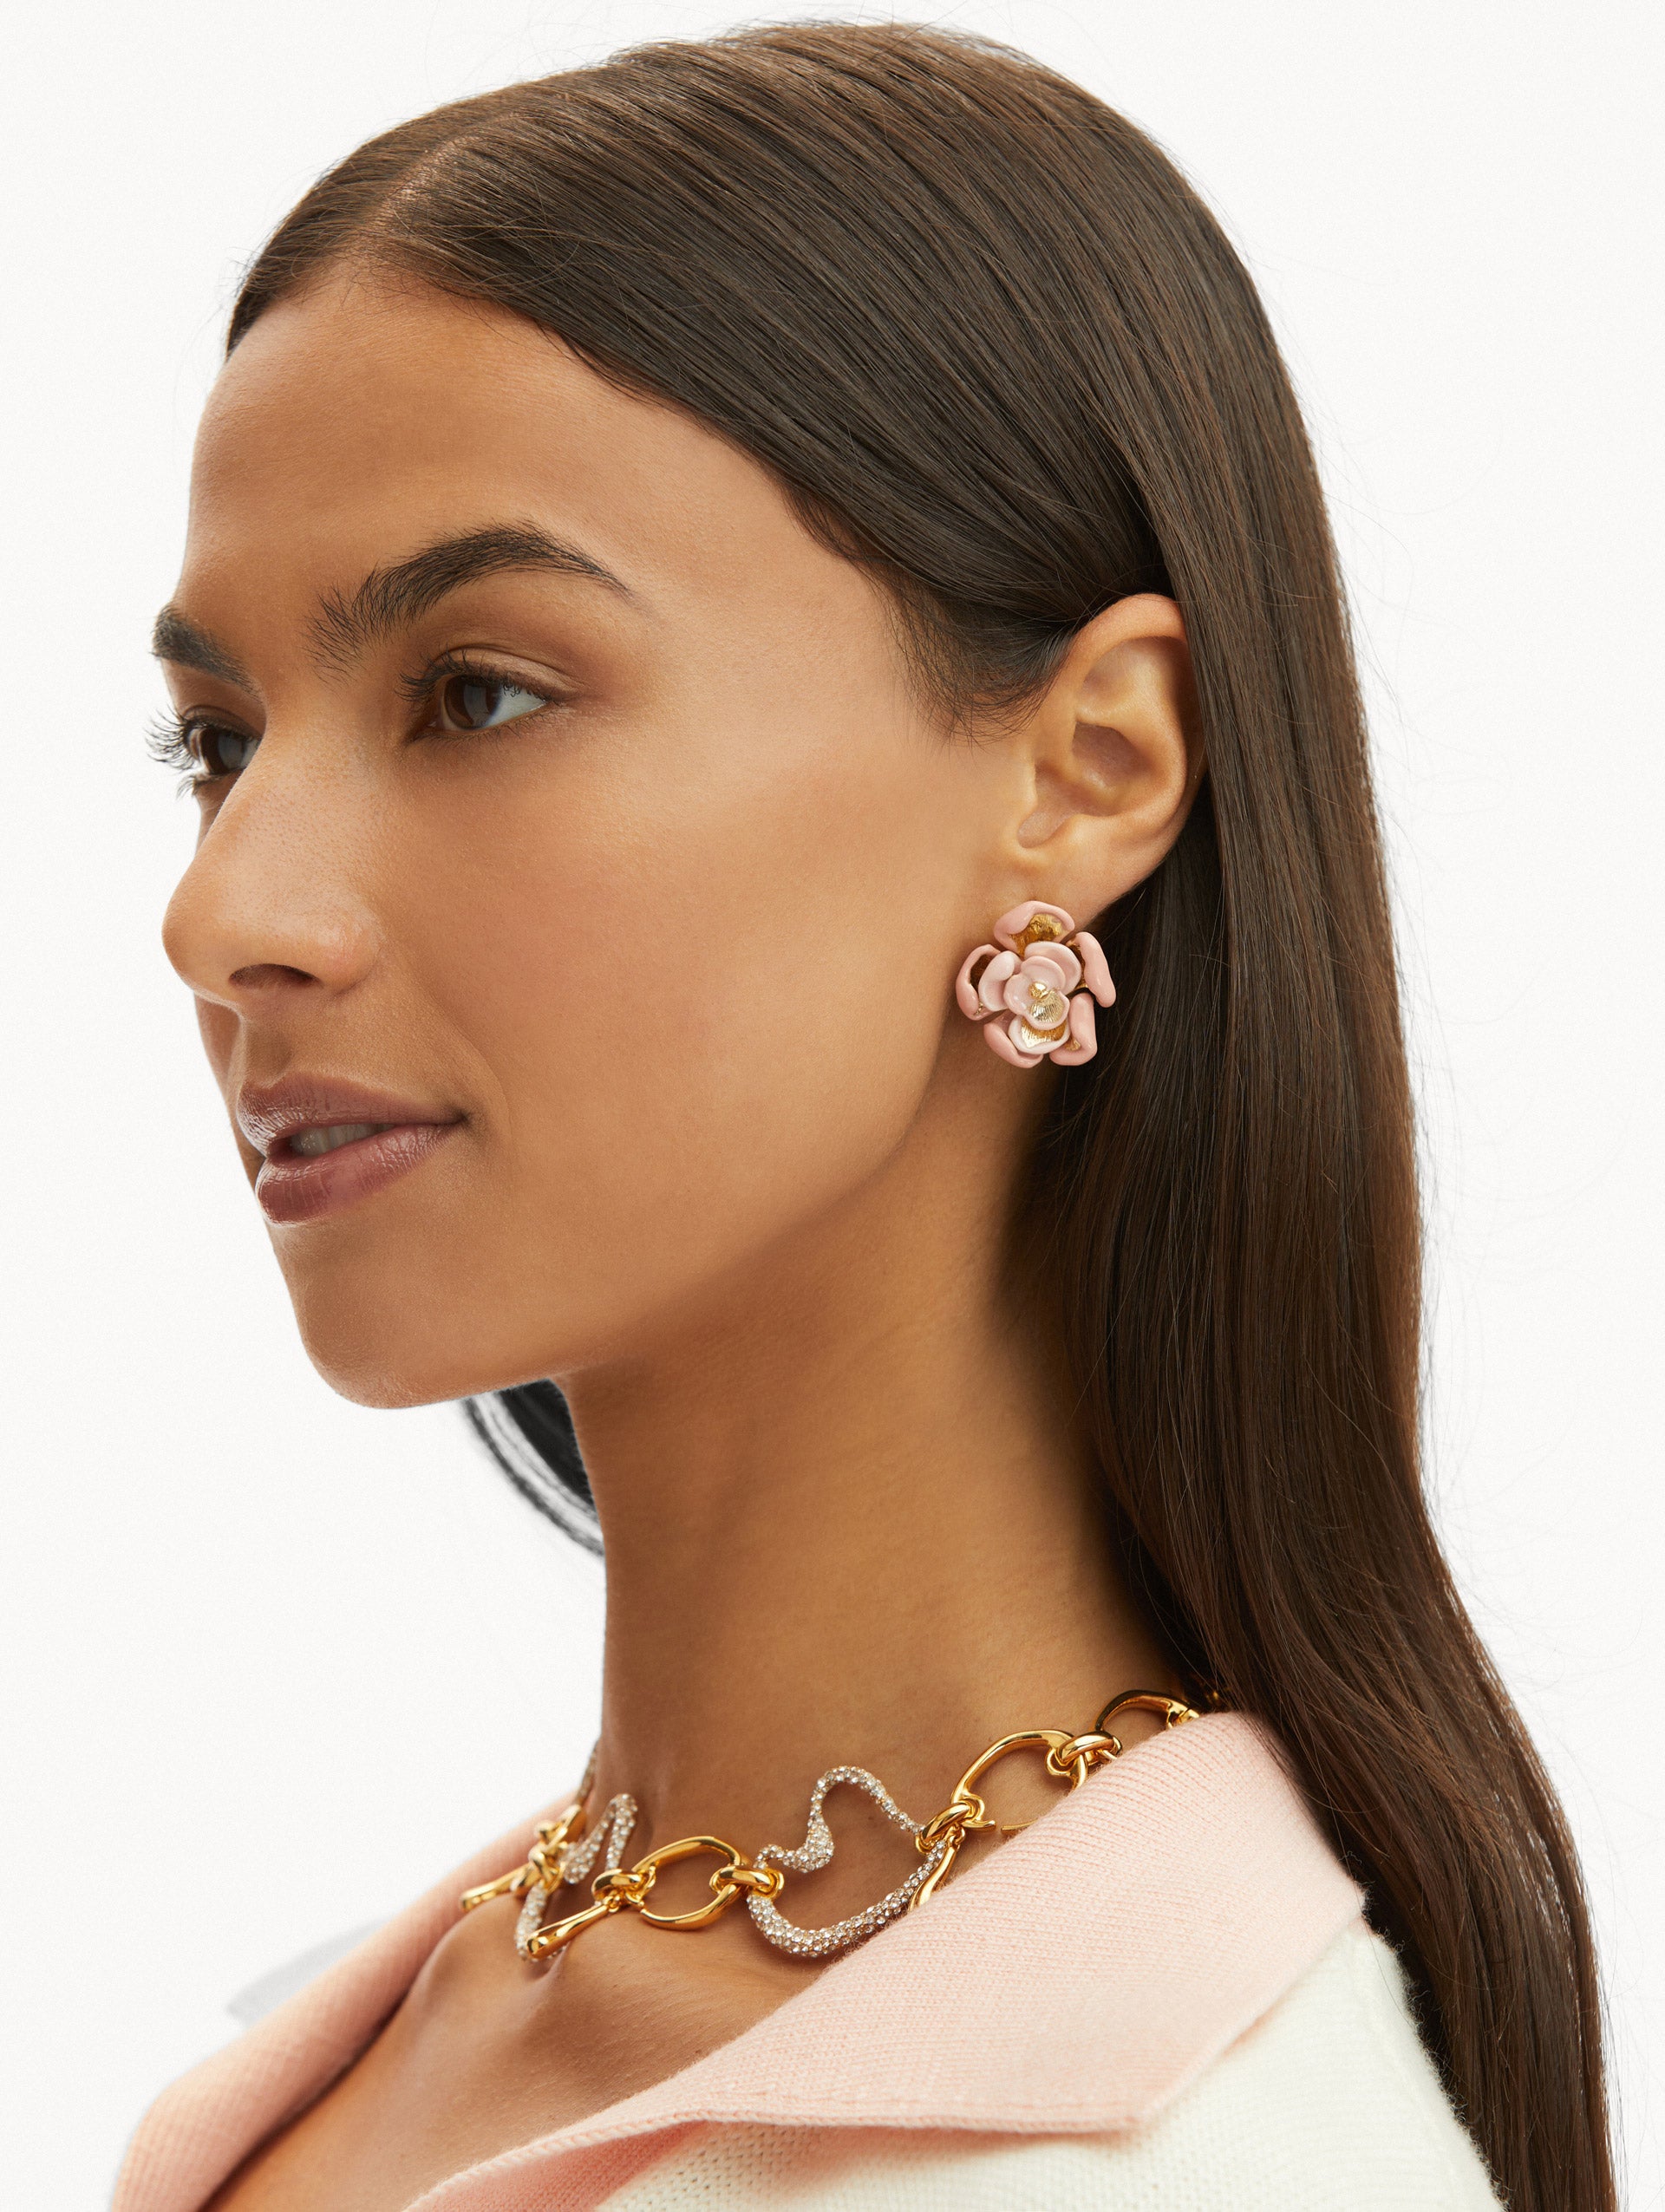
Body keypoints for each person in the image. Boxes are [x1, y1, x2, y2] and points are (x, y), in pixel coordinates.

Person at [116, 23, 1612, 2212]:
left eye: (479, 693)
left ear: (1087, 769)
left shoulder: (1208, 2163)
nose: (226, 913)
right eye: (219, 741)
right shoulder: (414, 2014)